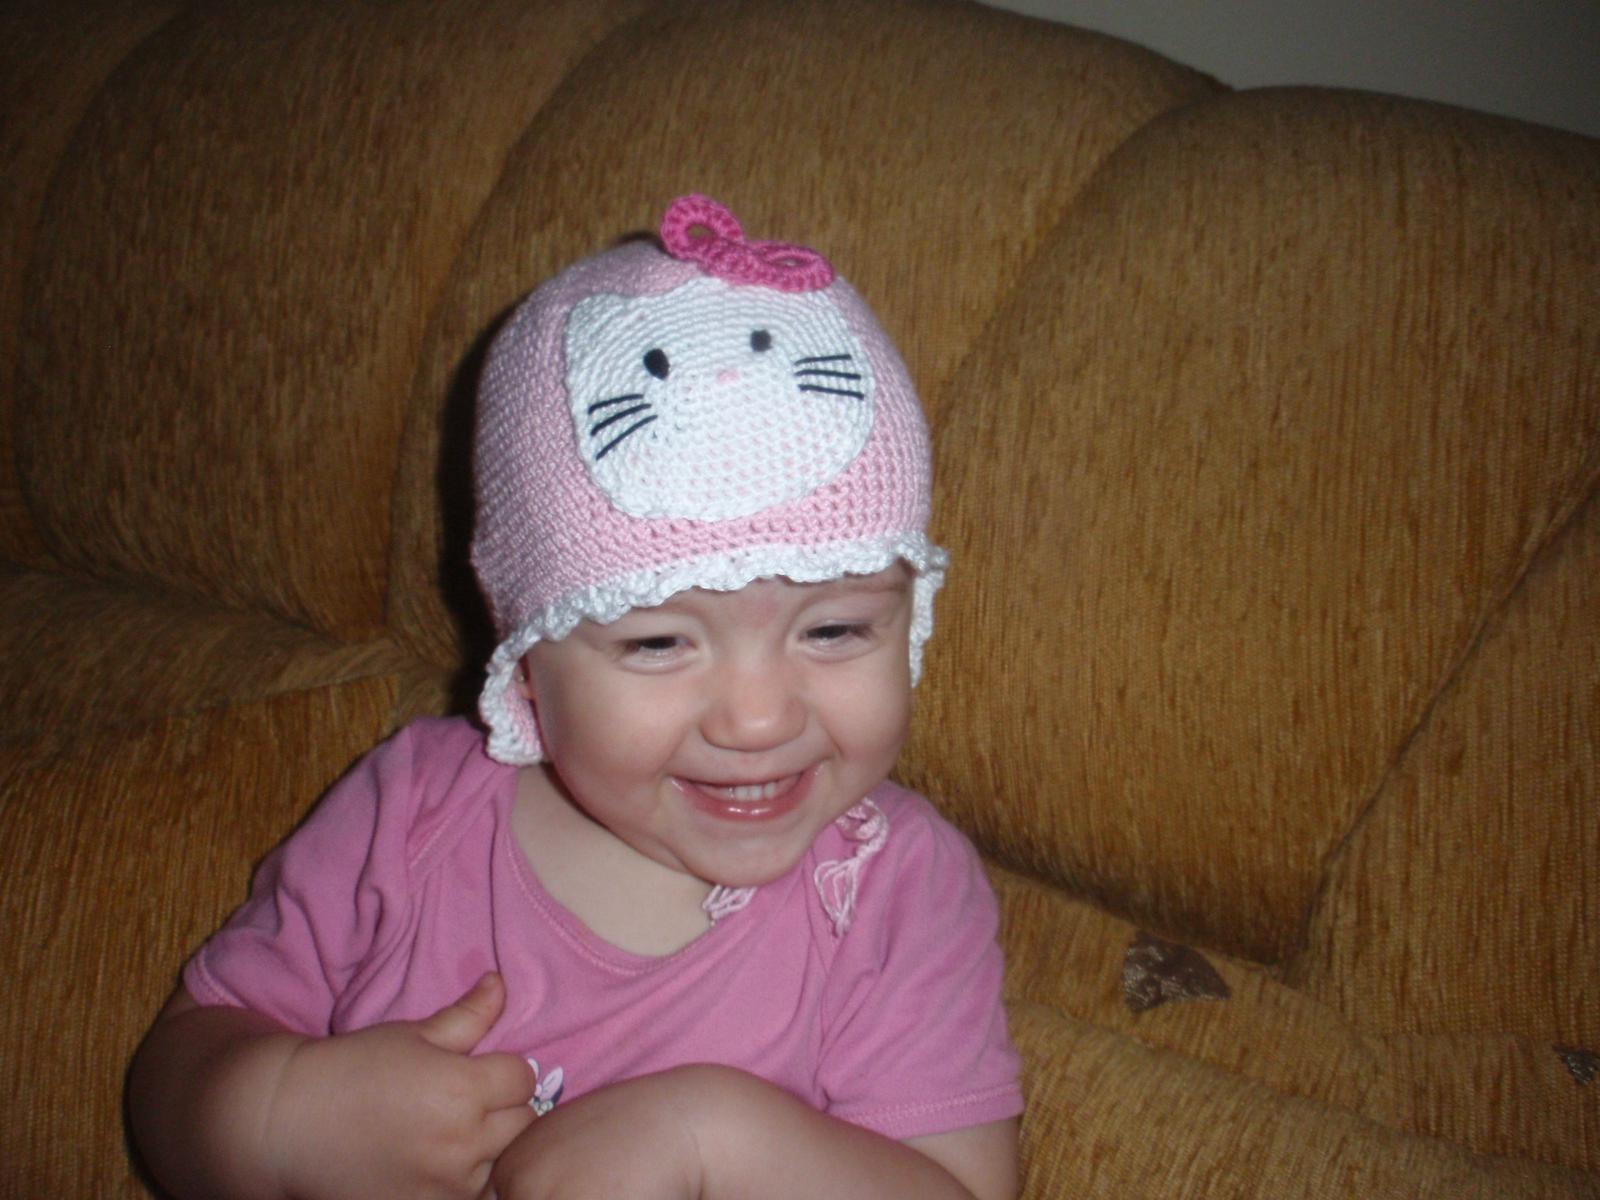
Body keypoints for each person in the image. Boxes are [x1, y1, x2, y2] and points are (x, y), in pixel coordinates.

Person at [129, 195, 1024, 1200]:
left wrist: (714, 1139)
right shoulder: (411, 811)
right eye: (656, 642)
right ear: (526, 664)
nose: (760, 719)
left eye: (835, 630)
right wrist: (280, 1115)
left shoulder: (895, 890)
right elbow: (180, 1061)